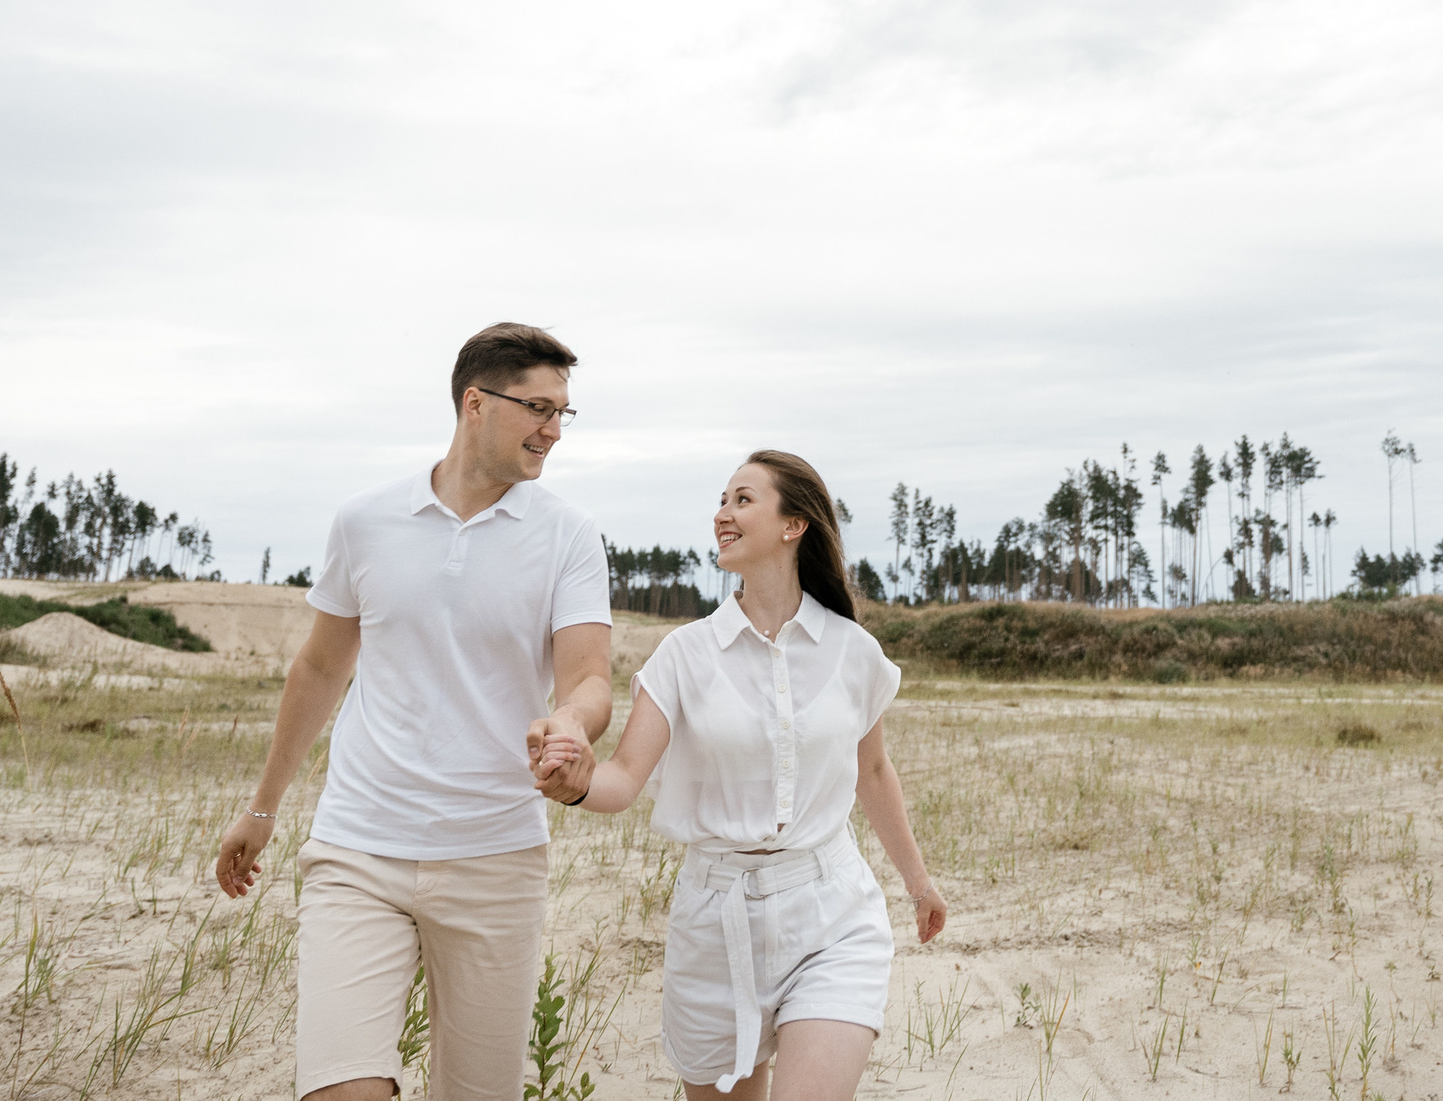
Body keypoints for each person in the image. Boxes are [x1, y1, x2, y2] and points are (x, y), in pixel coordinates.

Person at [214, 323, 615, 1101]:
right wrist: (262, 807)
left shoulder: (568, 534)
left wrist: (571, 722)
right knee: (338, 1088)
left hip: (495, 855)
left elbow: (590, 674)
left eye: (565, 412)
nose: (554, 430)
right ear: (475, 402)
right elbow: (322, 665)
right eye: (538, 407)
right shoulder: (366, 520)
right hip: (359, 845)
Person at [533, 450, 947, 1100]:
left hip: (831, 910)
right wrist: (578, 782)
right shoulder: (685, 655)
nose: (723, 513)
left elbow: (872, 768)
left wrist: (918, 883)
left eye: (744, 499)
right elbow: (621, 777)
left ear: (794, 524)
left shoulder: (852, 650)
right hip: (715, 919)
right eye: (722, 500)